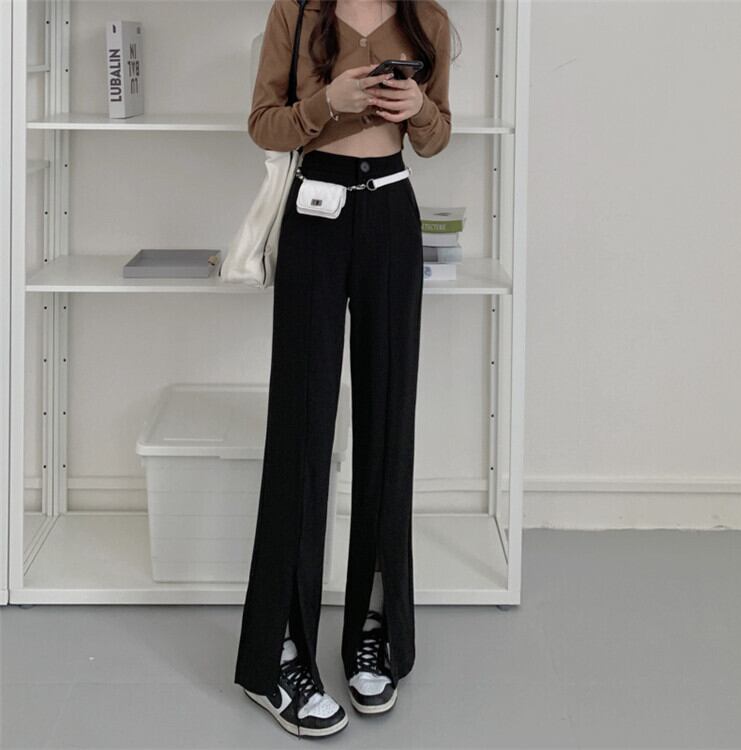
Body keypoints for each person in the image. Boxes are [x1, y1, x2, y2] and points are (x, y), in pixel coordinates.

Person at [234, 0, 455, 738]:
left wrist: (419, 108)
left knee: (389, 425)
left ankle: (373, 628)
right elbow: (263, 124)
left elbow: (437, 139)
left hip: (391, 215)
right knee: (301, 428)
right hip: (315, 213)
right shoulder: (295, 12)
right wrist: (325, 102)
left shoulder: (428, 19)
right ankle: (277, 654)